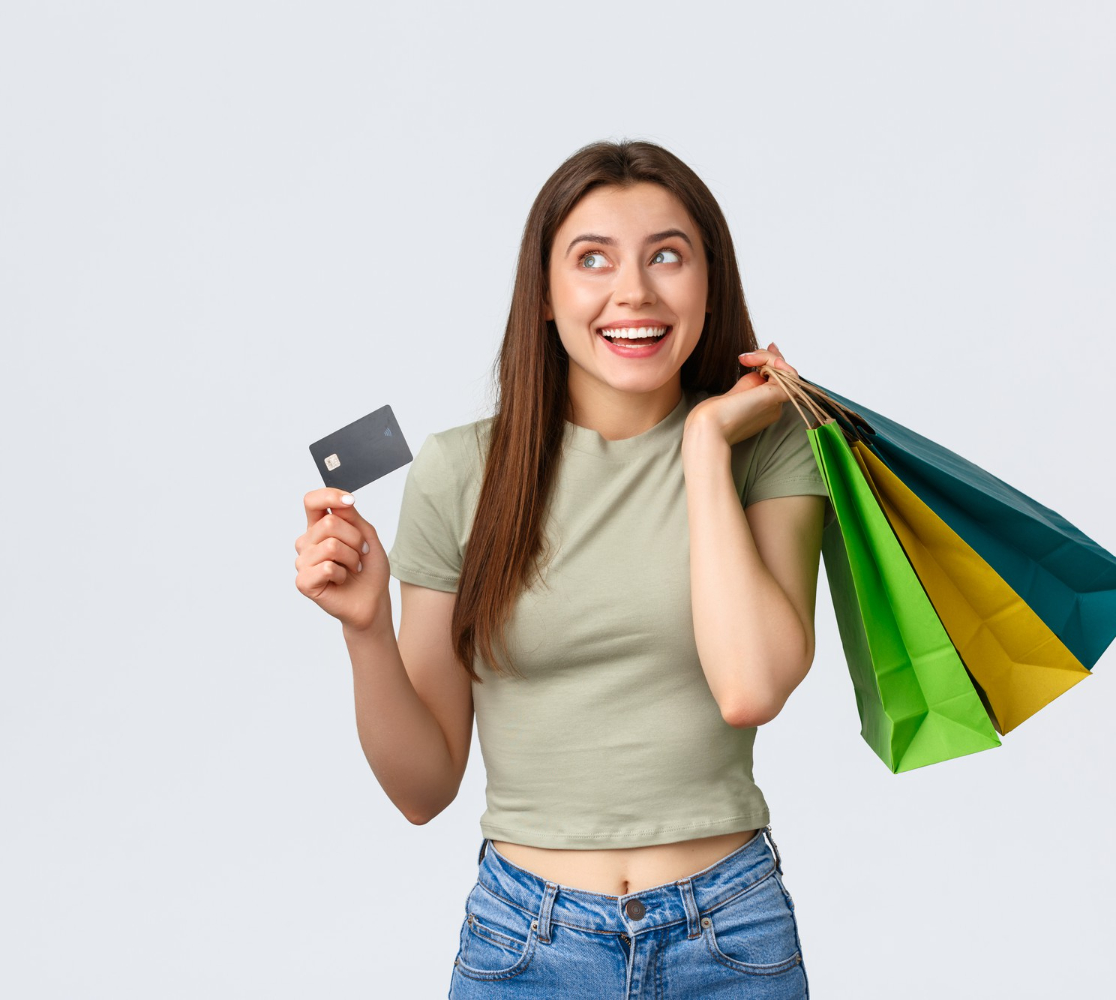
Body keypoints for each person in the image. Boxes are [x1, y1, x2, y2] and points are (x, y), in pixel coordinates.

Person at [295, 139, 830, 997]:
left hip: (729, 936)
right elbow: (423, 788)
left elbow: (752, 687)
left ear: (708, 282)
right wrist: (365, 630)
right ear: (544, 296)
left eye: (667, 256)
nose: (635, 292)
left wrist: (702, 446)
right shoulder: (461, 471)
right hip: (525, 943)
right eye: (593, 259)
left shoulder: (768, 451)